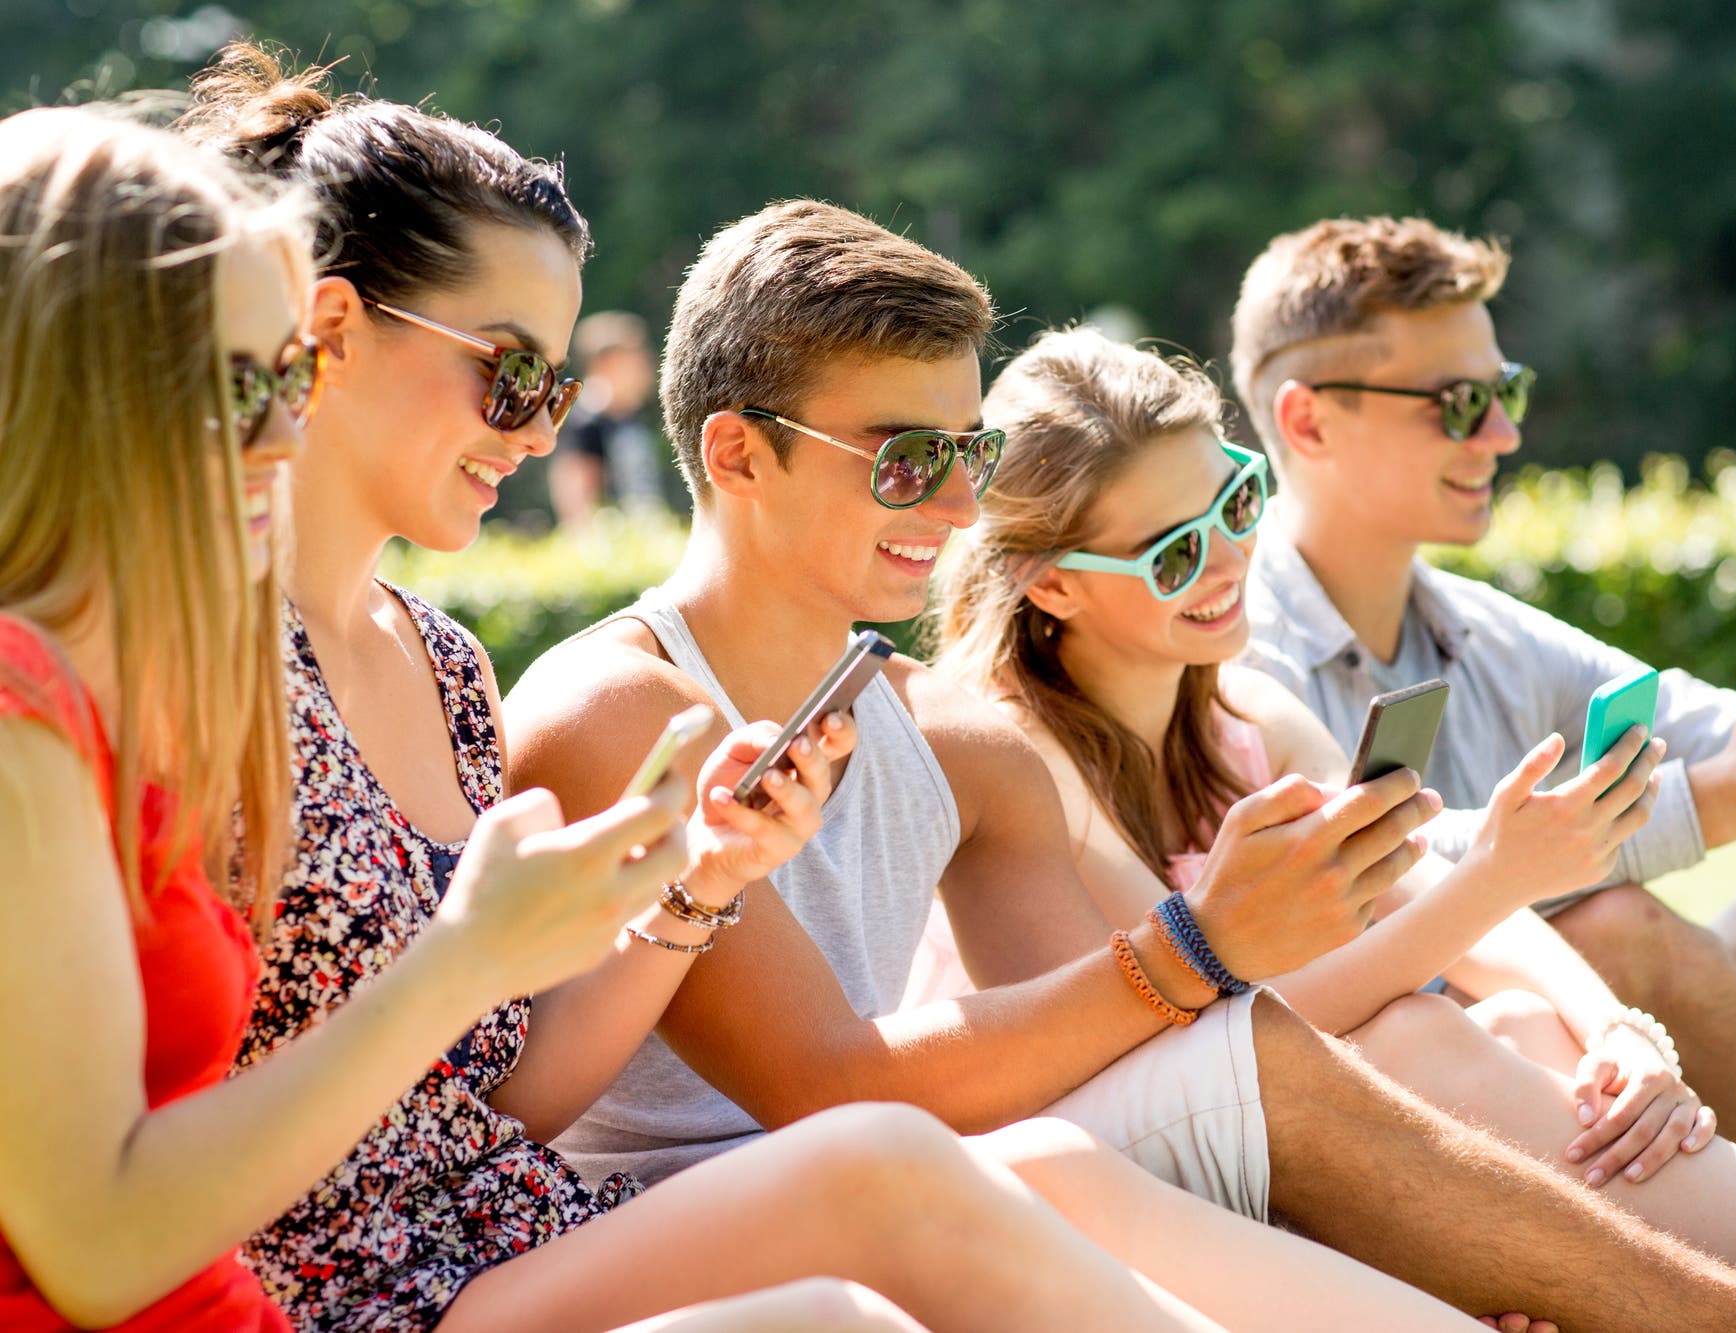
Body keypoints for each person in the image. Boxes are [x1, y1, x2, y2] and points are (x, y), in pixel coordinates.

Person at [505, 194, 1736, 1333]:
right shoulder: (626, 707)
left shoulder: (924, 723)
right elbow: (828, 1084)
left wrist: (1253, 959)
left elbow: (1107, 1043)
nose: (950, 506)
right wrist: (1203, 947)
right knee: (1281, 1050)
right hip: (693, 1218)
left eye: (964, 459)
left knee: (1384, 1031)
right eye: (906, 463)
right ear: (738, 455)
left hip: (905, 1169)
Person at [176, 46, 1264, 1333]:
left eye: (557, 387)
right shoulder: (189, 669)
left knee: (1024, 1171)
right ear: (337, 330)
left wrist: (701, 879)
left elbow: (501, 1102)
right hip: (335, 1292)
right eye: (509, 372)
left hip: (504, 1239)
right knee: (878, 1198)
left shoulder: (446, 663)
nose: (536, 433)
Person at [931, 320, 1736, 1291]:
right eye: (1173, 553)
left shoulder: (1246, 713)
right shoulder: (1027, 759)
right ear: (1051, 585)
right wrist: (1500, 876)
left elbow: (1424, 898)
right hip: (1131, 1174)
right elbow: (1233, 1035)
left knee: (1529, 1019)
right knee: (1413, 1036)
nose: (1225, 561)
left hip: (1300, 1128)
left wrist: (1618, 1032)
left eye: (1236, 502)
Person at [0, 105, 693, 1332]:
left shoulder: (114, 677)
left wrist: (683, 892)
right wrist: (468, 956)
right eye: (243, 383)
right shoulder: (43, 698)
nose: (282, 429)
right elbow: (102, 1245)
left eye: (288, 379)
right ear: (83, 382)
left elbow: (465, 1099)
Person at [1230, 214, 1736, 1219]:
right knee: (1615, 933)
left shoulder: (1486, 632)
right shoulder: (1231, 643)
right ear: (1307, 420)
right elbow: (1374, 872)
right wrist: (1714, 805)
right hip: (1390, 1110)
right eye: (1458, 403)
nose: (1501, 432)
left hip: (1580, 1080)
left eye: (1504, 393)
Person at [550, 310, 690, 525]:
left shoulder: (630, 419)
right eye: (635, 361)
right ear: (606, 363)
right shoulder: (586, 421)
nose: (646, 369)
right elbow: (577, 500)